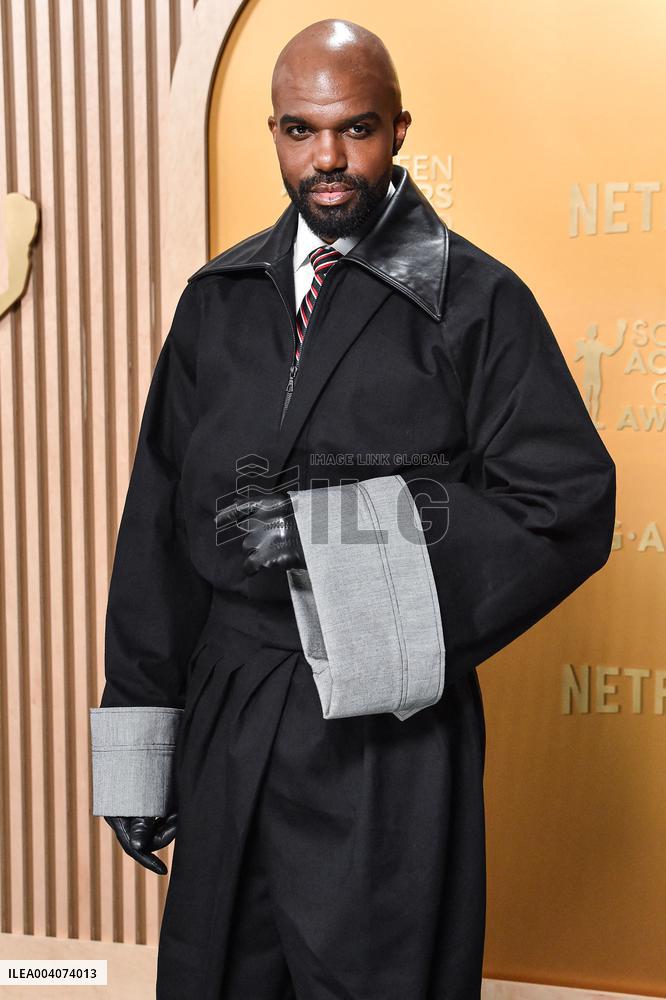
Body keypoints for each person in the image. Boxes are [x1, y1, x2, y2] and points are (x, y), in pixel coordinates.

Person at [89, 18, 616, 1000]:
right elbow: (157, 526)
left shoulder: (478, 301)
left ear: (400, 129)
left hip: (385, 735)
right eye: (299, 130)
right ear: (276, 132)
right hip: (230, 714)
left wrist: (336, 541)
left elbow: (566, 503)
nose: (326, 158)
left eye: (355, 129)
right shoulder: (217, 298)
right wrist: (139, 749)